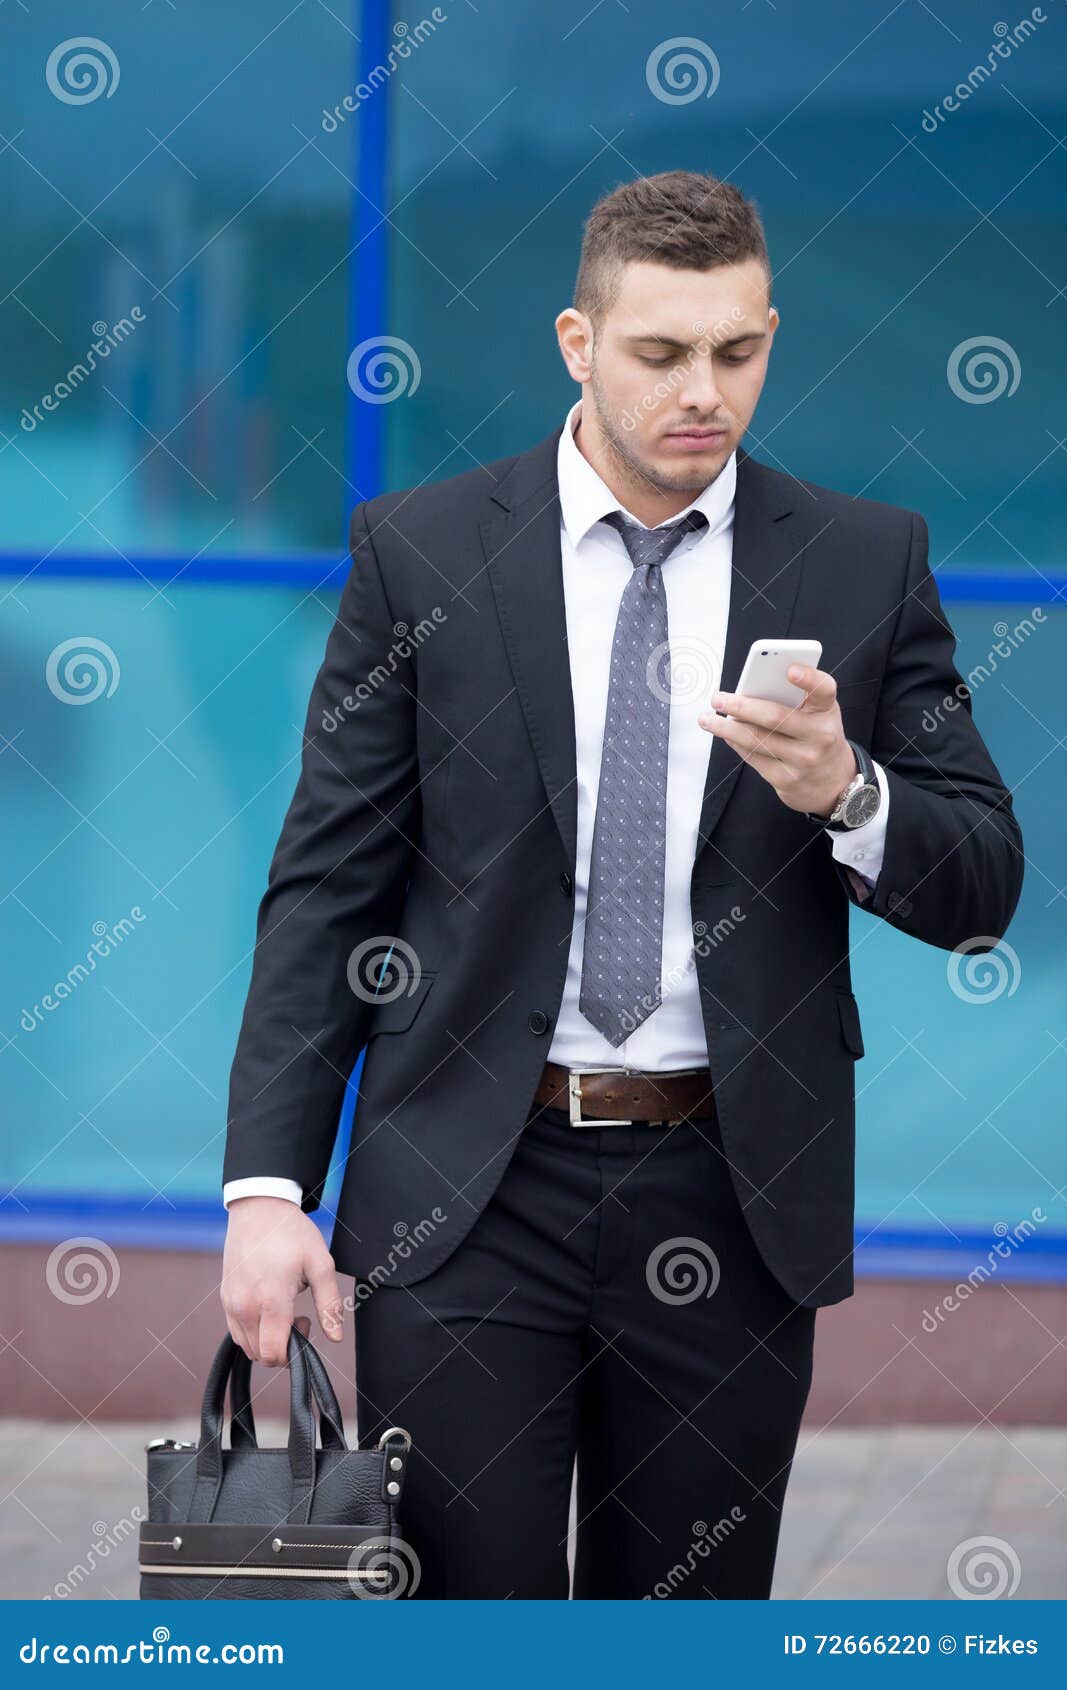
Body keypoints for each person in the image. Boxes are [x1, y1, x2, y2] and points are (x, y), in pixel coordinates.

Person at [219, 169, 1023, 1598]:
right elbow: (327, 890)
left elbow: (983, 882)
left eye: (737, 350)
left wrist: (848, 789)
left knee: (688, 1630)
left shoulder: (861, 561)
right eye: (660, 354)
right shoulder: (423, 556)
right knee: (475, 1625)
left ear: (770, 332)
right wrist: (267, 1192)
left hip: (729, 1192)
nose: (703, 391)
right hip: (466, 1196)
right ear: (578, 345)